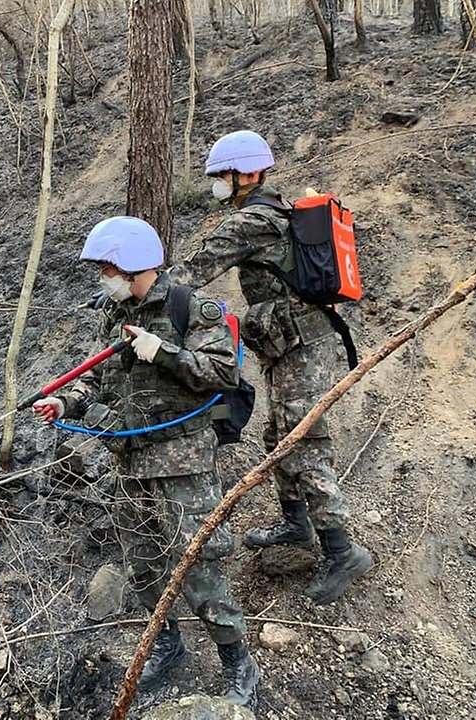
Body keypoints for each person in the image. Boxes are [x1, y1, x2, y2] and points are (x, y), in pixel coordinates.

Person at [33, 215, 259, 710]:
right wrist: (66, 404)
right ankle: (167, 644)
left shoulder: (191, 309)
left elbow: (222, 372)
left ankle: (236, 659)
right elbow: (100, 379)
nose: (102, 279)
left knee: (197, 564)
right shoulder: (112, 316)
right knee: (142, 562)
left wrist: (164, 352)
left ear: (133, 266)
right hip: (130, 460)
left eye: (107, 269)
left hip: (182, 463)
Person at [169, 130, 372, 606]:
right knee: (279, 438)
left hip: (303, 347)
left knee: (305, 443)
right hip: (288, 346)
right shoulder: (272, 211)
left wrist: (143, 287)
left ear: (251, 174)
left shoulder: (253, 220)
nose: (218, 183)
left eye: (224, 175)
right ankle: (296, 525)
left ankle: (343, 551)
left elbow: (193, 270)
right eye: (218, 176)